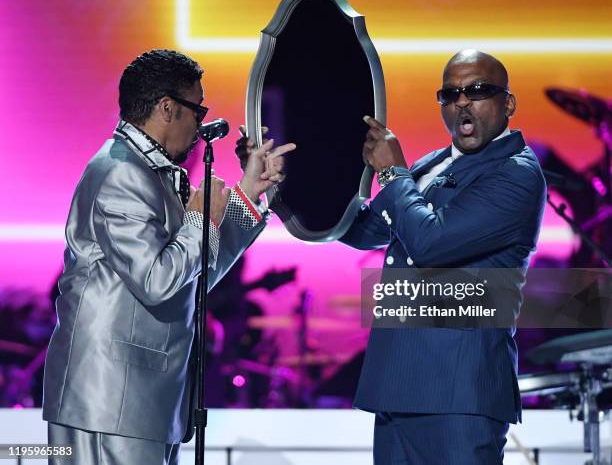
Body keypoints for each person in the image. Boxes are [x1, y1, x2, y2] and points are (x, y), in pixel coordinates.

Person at [42, 49, 295, 465]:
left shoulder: (151, 172)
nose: (200, 124)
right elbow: (158, 281)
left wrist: (247, 193)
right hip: (111, 401)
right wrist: (198, 221)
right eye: (197, 110)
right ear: (166, 108)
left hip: (143, 401)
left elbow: (190, 279)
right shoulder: (120, 173)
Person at [340, 49, 547, 464]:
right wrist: (287, 186)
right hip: (398, 387)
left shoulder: (517, 173)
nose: (462, 102)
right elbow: (366, 230)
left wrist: (394, 173)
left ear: (507, 103)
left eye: (477, 90)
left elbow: (432, 243)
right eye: (450, 94)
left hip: (459, 395)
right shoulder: (433, 163)